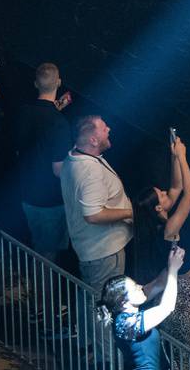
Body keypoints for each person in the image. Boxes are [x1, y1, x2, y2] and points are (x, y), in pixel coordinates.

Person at [130, 133, 190, 353]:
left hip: (179, 289)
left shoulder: (154, 225)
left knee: (180, 353)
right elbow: (189, 193)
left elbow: (177, 188)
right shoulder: (170, 229)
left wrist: (173, 157)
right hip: (185, 295)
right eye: (161, 195)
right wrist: (183, 157)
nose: (164, 192)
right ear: (158, 209)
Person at [63, 114, 135, 294]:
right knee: (102, 306)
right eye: (104, 129)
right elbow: (93, 214)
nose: (109, 129)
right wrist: (130, 213)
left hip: (93, 249)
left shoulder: (74, 155)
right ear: (93, 140)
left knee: (93, 299)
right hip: (104, 253)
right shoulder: (90, 172)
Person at [18, 62, 74, 265]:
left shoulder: (23, 112)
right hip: (49, 201)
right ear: (58, 82)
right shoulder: (59, 124)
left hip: (26, 192)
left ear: (35, 83)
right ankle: (43, 295)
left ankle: (37, 289)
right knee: (48, 257)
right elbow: (58, 169)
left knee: (37, 247)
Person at [101, 243, 186, 370]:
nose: (140, 287)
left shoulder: (127, 311)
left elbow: (159, 283)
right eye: (135, 288)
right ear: (123, 302)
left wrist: (172, 261)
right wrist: (173, 270)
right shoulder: (125, 323)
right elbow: (166, 307)